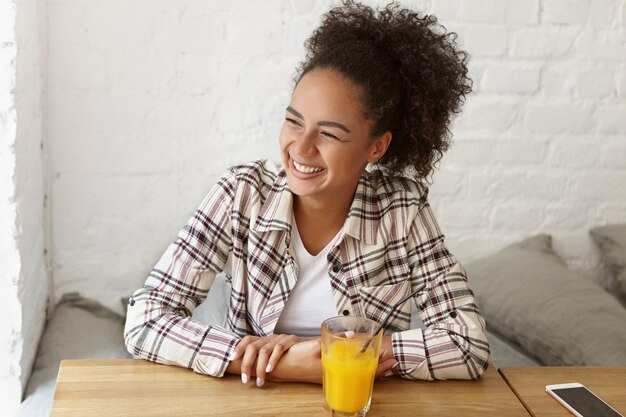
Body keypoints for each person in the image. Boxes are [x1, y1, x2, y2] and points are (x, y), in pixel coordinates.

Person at [124, 0, 490, 388]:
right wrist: (277, 363)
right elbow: (145, 318)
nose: (301, 148)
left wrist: (344, 355)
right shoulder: (241, 194)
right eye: (293, 121)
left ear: (376, 148)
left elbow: (468, 342)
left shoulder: (403, 212)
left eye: (329, 133)